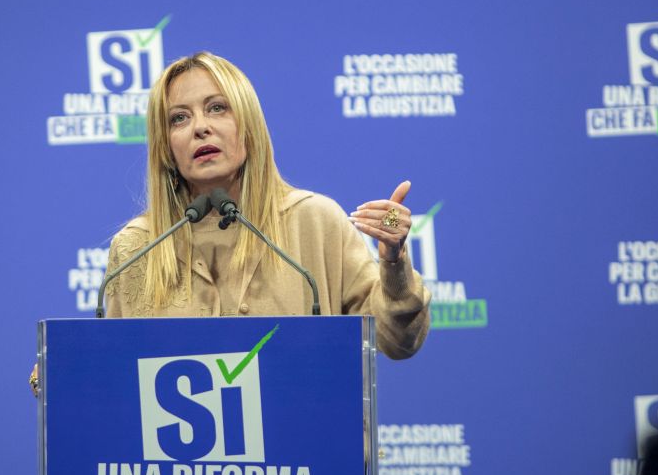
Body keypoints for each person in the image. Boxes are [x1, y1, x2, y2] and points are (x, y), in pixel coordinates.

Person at [103, 51, 429, 360]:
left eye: (217, 108)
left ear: (249, 125)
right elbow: (116, 371)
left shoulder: (313, 222)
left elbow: (396, 341)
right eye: (179, 118)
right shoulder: (137, 247)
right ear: (165, 147)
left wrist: (394, 261)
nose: (200, 127)